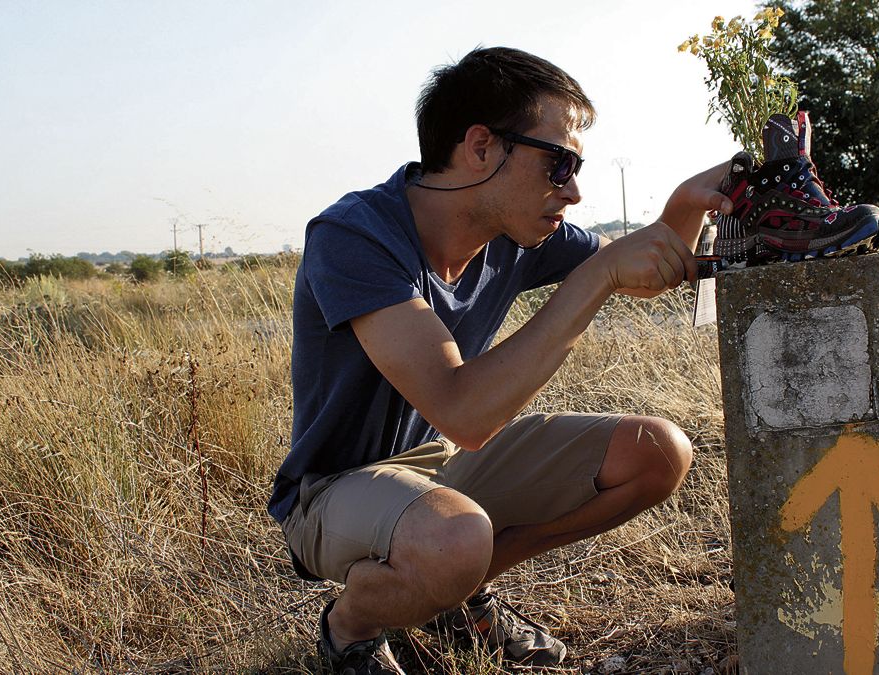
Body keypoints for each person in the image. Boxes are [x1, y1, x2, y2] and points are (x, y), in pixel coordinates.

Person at [267, 46, 732, 674]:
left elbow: (643, 265)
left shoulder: (516, 231)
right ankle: (349, 627)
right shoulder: (355, 235)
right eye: (558, 163)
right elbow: (463, 410)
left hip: (443, 471)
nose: (573, 190)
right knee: (455, 536)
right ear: (481, 146)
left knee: (659, 451)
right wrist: (592, 281)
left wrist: (687, 204)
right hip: (332, 492)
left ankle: (451, 592)